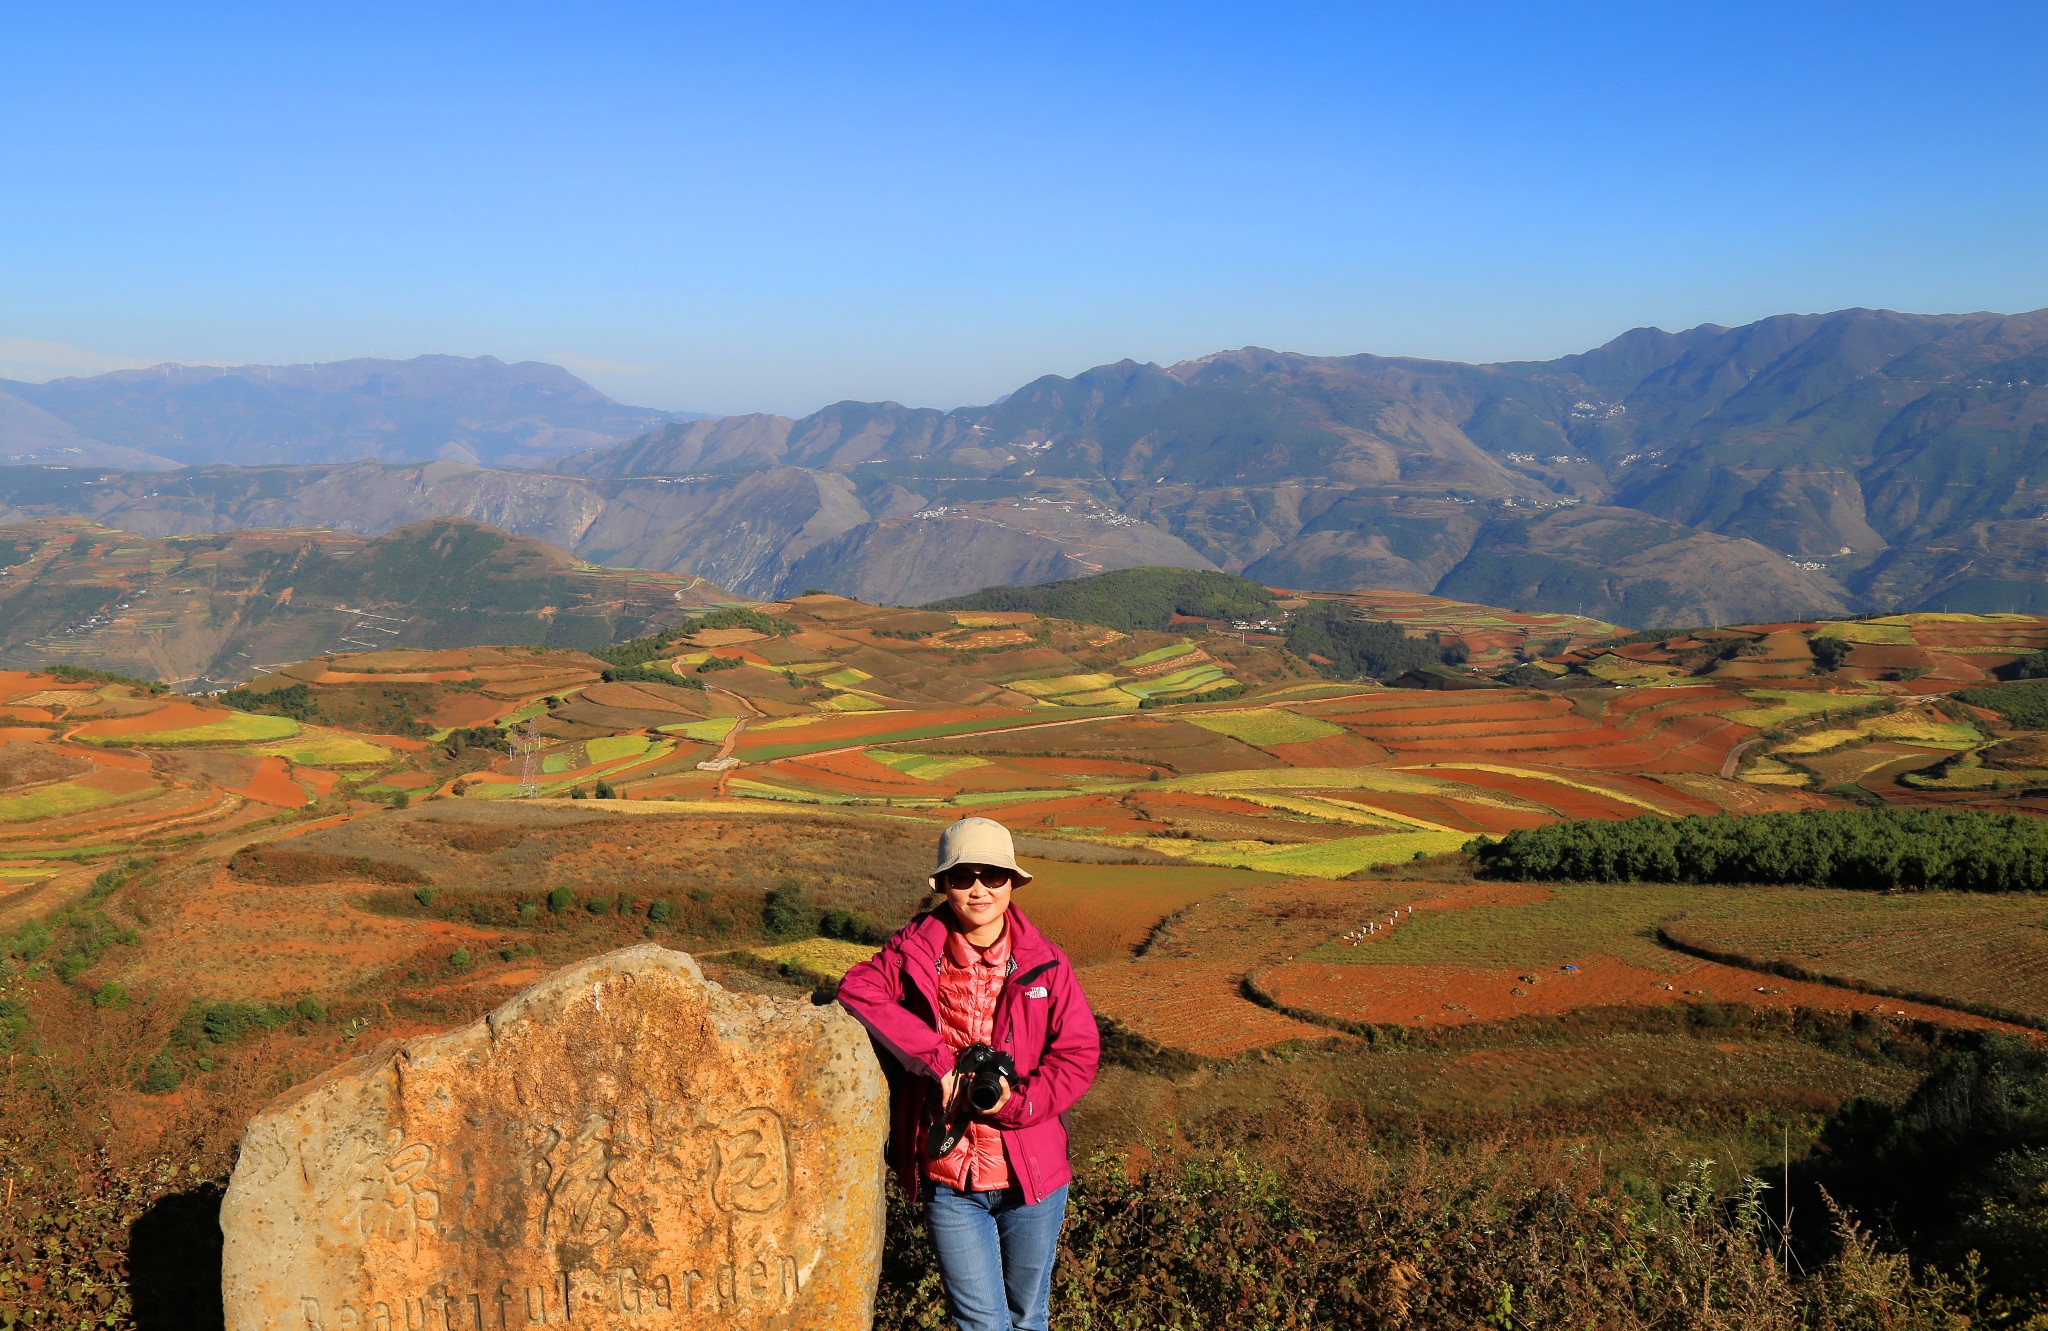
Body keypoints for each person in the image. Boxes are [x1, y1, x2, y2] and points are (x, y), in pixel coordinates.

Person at [838, 816, 1100, 1331]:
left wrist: (1017, 1104)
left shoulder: (1047, 963)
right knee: (982, 1325)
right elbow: (858, 988)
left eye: (993, 875)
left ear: (1012, 883)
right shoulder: (914, 951)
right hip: (948, 1174)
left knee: (1029, 1318)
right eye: (963, 876)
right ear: (944, 885)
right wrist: (935, 1060)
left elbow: (1077, 1054)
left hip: (1032, 1178)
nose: (979, 889)